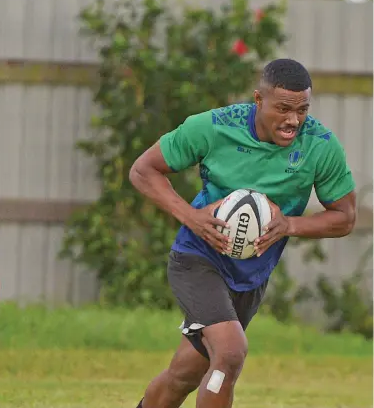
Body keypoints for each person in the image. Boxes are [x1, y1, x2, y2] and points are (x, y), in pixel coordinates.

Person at [129, 58, 356, 408]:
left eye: (302, 110)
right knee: (230, 353)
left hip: (251, 275)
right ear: (258, 100)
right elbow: (143, 171)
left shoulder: (320, 146)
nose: (293, 120)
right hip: (198, 258)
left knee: (187, 373)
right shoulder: (213, 127)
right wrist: (191, 216)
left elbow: (345, 217)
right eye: (283, 108)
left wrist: (289, 225)